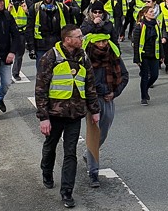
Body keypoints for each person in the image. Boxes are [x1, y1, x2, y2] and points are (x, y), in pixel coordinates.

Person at [36, 25, 100, 209]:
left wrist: (94, 110)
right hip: (54, 114)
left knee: (70, 153)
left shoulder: (83, 57)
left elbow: (90, 86)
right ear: (67, 40)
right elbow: (41, 89)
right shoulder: (50, 58)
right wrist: (43, 117)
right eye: (78, 37)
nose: (82, 39)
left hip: (75, 114)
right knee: (50, 146)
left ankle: (66, 192)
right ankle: (46, 171)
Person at [82, 33, 128, 188]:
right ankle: (93, 173)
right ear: (93, 42)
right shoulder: (85, 57)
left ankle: (87, 154)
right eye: (100, 41)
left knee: (103, 133)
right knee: (94, 134)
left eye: (105, 41)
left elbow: (124, 76)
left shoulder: (113, 55)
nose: (103, 44)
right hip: (92, 100)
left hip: (108, 99)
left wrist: (115, 93)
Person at [26, 0, 70, 68]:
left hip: (59, 46)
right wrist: (31, 48)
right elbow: (29, 29)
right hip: (41, 47)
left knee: (59, 73)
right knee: (42, 75)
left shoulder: (62, 8)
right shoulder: (35, 8)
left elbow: (68, 28)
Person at [133, 6, 166, 105]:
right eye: (151, 12)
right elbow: (136, 44)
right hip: (143, 55)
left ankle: (145, 88)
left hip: (154, 55)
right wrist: (137, 58)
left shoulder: (156, 25)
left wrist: (162, 55)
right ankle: (144, 97)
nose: (153, 13)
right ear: (145, 14)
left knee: (155, 75)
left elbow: (159, 41)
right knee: (144, 76)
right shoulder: (139, 26)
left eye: (153, 11)